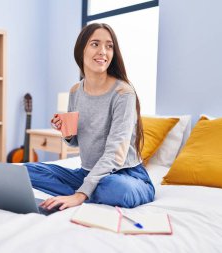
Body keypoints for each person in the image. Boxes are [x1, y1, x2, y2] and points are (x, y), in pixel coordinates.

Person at [25, 23, 155, 211]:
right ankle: (90, 190)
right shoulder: (76, 91)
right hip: (87, 173)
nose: (103, 51)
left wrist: (80, 195)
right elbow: (75, 143)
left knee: (115, 189)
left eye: (109, 46)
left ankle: (84, 192)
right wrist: (66, 132)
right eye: (95, 44)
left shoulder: (123, 93)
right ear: (81, 50)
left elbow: (115, 153)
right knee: (27, 171)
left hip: (125, 175)